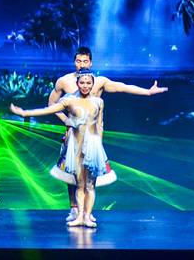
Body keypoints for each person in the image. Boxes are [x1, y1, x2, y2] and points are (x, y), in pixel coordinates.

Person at [49, 46, 168, 222]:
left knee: (91, 171)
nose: (82, 64)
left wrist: (148, 92)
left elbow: (123, 87)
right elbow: (52, 104)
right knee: (71, 170)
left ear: (91, 62)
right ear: (74, 62)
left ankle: (87, 212)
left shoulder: (99, 82)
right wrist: (67, 120)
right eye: (79, 61)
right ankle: (74, 209)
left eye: (85, 61)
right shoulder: (64, 81)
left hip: (93, 134)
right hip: (74, 133)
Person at [11, 69, 107, 227]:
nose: (85, 86)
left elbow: (100, 125)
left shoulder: (98, 102)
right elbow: (47, 109)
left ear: (92, 84)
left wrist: (99, 145)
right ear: (77, 84)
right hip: (76, 147)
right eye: (82, 83)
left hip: (93, 146)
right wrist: (25, 113)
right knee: (80, 184)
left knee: (90, 185)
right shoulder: (69, 100)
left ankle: (87, 217)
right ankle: (79, 216)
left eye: (88, 83)